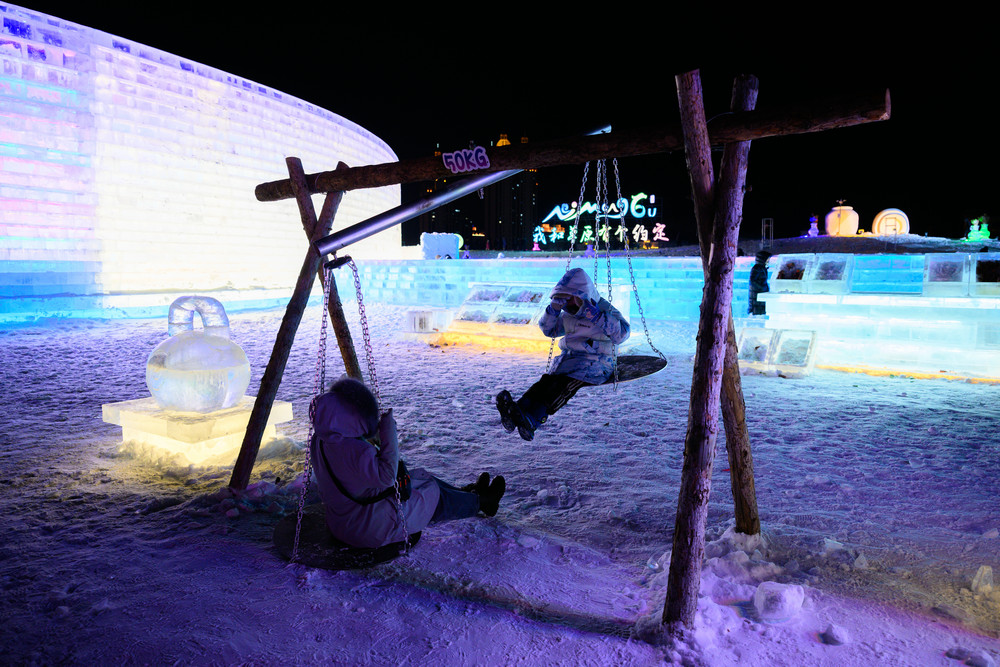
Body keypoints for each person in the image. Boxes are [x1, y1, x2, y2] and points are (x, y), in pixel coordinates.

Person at [311, 378, 505, 549]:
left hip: (343, 520)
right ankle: (483, 502)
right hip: (368, 527)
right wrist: (388, 432)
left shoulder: (320, 440)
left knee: (422, 480)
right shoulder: (354, 451)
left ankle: (468, 494)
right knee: (431, 496)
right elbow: (387, 476)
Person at [496, 268, 630, 441]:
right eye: (563, 300)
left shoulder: (604, 310)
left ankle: (533, 418)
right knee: (545, 383)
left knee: (560, 388)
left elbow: (621, 335)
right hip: (569, 361)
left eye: (569, 299)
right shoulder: (569, 314)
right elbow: (549, 330)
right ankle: (517, 411)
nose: (567, 304)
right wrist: (553, 310)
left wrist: (597, 317)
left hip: (596, 364)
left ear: (582, 295)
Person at [748, 250, 771, 315]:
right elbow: (752, 281)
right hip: (757, 294)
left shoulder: (762, 268)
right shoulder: (757, 268)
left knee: (760, 309)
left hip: (760, 293)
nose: (768, 261)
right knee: (757, 310)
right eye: (767, 259)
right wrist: (762, 287)